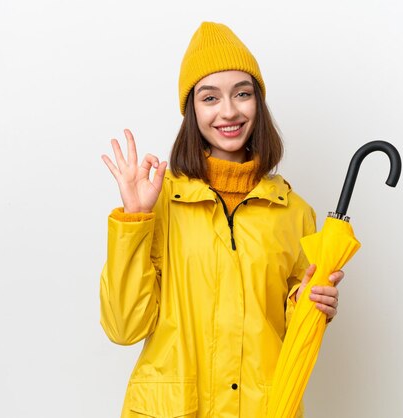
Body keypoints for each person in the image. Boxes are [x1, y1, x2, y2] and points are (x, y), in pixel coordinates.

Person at [99, 22, 344, 418]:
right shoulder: (158, 202)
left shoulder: (294, 212)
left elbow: (290, 332)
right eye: (209, 97)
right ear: (191, 110)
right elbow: (123, 327)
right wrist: (134, 218)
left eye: (242, 94)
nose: (228, 111)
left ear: (257, 103)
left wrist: (311, 305)